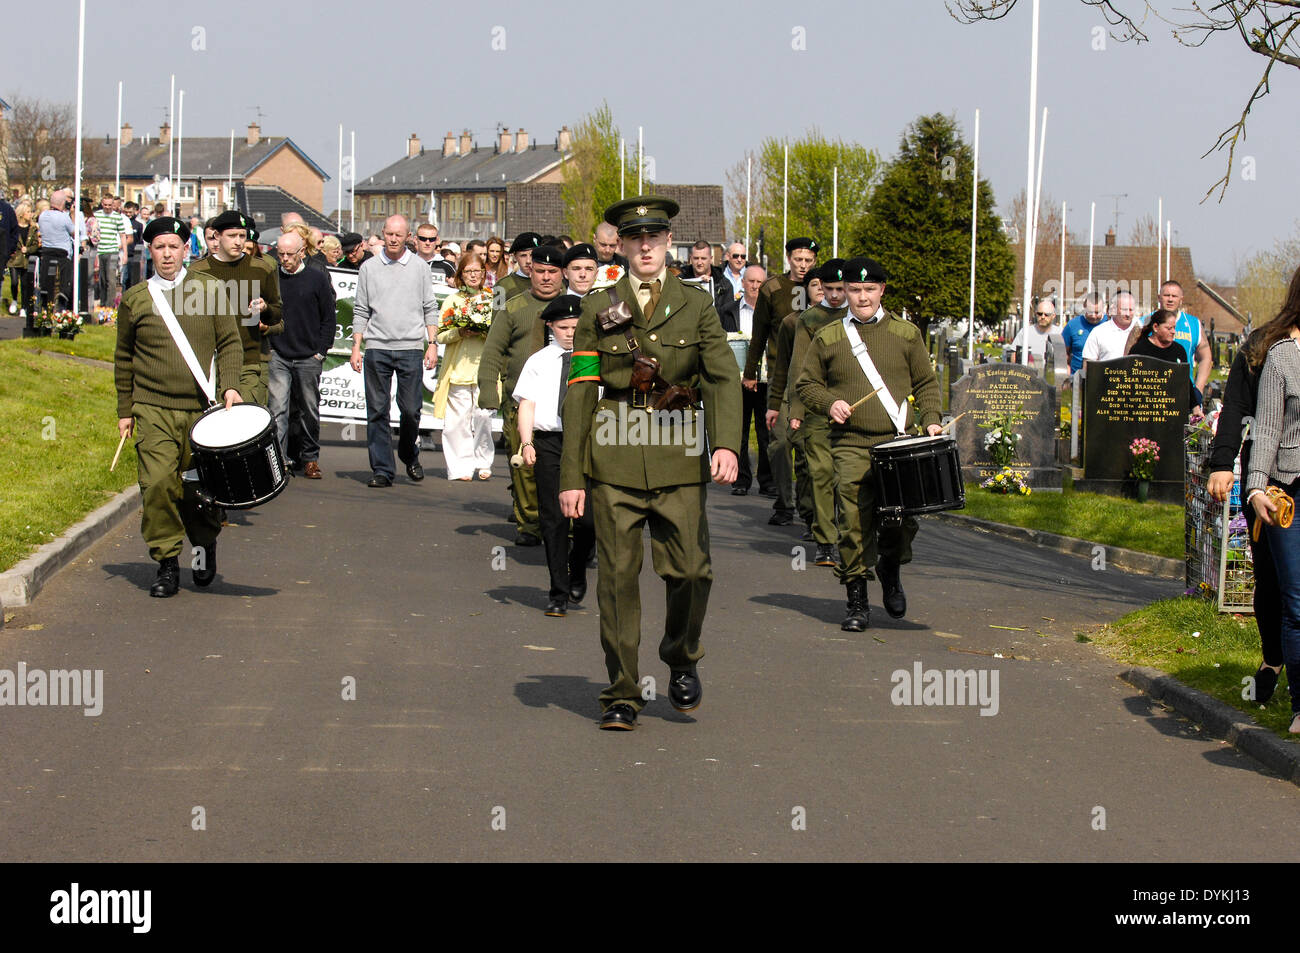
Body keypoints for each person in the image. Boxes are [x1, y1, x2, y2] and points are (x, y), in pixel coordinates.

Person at [559, 195, 741, 731]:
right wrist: (572, 475)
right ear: (621, 245)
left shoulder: (696, 304)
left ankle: (681, 656)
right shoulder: (598, 307)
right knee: (616, 578)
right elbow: (581, 391)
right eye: (634, 239)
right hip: (613, 452)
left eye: (654, 238)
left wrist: (726, 443)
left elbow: (722, 377)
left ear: (668, 243)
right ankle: (620, 691)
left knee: (690, 570)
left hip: (678, 450)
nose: (644, 247)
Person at [796, 257, 943, 632]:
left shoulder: (906, 334)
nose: (861, 297)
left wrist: (932, 420)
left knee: (902, 519)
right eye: (854, 290)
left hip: (898, 441)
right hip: (851, 444)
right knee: (854, 520)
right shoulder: (829, 337)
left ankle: (890, 568)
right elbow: (807, 384)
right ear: (844, 291)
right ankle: (856, 599)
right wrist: (830, 402)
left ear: (882, 290)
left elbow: (925, 383)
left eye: (869, 290)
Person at [114, 216, 244, 597]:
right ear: (150, 251)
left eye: (174, 246)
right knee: (157, 484)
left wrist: (232, 386)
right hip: (152, 408)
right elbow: (124, 358)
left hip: (200, 410)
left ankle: (203, 547)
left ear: (186, 250)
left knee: (199, 492)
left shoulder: (209, 289)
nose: (167, 254)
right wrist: (125, 410)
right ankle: (167, 562)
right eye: (160, 247)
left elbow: (231, 343)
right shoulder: (136, 298)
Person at [1209, 323, 1282, 706]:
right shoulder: (1262, 344)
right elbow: (1236, 405)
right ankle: (1273, 660)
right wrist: (1223, 462)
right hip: (1268, 476)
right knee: (1271, 577)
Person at [476, 244, 567, 544]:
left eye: (552, 272)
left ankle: (562, 524)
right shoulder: (513, 307)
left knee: (563, 468)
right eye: (540, 271)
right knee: (525, 463)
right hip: (520, 400)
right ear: (530, 271)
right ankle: (529, 524)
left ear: (562, 273)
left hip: (565, 402)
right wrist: (489, 391)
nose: (546, 277)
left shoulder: (575, 306)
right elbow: (492, 351)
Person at [514, 294, 596, 617]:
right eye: (563, 327)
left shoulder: (591, 359)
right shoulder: (538, 361)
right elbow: (527, 404)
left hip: (587, 441)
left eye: (576, 327)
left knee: (588, 520)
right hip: (549, 442)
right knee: (554, 519)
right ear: (551, 326)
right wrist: (527, 442)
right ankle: (558, 592)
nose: (570, 332)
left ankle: (578, 568)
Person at [1245, 270, 1300, 732]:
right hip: (1290, 493)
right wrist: (1257, 486)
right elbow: (1266, 429)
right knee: (1296, 602)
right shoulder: (1282, 356)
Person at [349, 215, 439, 487]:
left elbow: (430, 307)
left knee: (411, 410)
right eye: (389, 234)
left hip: (410, 347)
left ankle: (409, 453)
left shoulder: (419, 268)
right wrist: (356, 346)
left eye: (399, 235)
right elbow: (361, 309)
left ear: (408, 236)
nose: (393, 239)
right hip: (377, 347)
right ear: (383, 234)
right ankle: (382, 470)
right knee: (377, 411)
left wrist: (432, 343)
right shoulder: (369, 268)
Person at [745, 237, 819, 525]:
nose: (803, 266)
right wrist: (750, 372)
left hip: (813, 379)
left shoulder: (821, 287)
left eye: (809, 261)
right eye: (799, 260)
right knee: (778, 442)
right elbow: (759, 334)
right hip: (780, 375)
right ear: (789, 258)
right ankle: (784, 502)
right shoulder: (773, 289)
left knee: (807, 447)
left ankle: (808, 505)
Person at [786, 259, 850, 566]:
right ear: (820, 288)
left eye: (841, 289)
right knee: (821, 473)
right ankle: (826, 540)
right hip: (816, 406)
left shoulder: (860, 317)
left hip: (854, 408)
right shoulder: (810, 319)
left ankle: (850, 535)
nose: (836, 295)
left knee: (846, 477)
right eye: (830, 289)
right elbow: (799, 366)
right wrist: (795, 408)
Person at [186, 210, 283, 406]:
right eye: (232, 236)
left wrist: (265, 309)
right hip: (208, 364)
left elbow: (277, 314)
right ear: (217, 236)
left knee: (245, 428)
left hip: (249, 362)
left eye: (242, 236)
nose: (238, 242)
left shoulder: (261, 269)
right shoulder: (197, 272)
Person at [268, 230, 335, 479]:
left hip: (308, 355)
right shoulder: (272, 277)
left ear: (302, 252)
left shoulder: (317, 278)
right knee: (277, 410)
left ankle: (310, 458)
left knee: (309, 409)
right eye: (280, 254)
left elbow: (329, 317)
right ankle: (279, 461)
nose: (284, 259)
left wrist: (320, 351)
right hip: (279, 354)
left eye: (289, 254)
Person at [433, 252, 495, 481]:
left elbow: (501, 332)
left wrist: (486, 330)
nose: (473, 276)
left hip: (485, 368)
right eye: (468, 271)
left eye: (477, 271)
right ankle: (460, 467)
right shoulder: (453, 300)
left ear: (483, 273)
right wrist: (460, 332)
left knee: (483, 417)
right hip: (458, 368)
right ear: (460, 274)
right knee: (456, 422)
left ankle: (483, 460)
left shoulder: (492, 298)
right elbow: (441, 335)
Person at [718, 264, 771, 496]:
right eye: (751, 281)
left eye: (760, 282)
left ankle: (768, 481)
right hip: (736, 382)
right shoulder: (727, 311)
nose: (755, 286)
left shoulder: (772, 312)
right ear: (743, 283)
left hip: (765, 382)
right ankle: (740, 479)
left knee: (765, 432)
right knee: (737, 430)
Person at [1125, 280, 1212, 396]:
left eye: (1174, 296)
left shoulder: (1193, 324)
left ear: (1181, 299)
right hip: (1148, 393)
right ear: (1159, 297)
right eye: (1166, 295)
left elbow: (1206, 357)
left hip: (1182, 392)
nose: (1170, 299)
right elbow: (1127, 358)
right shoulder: (1143, 323)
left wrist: (1198, 389)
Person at [1081, 290, 1138, 364]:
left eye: (1131, 310)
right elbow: (1088, 366)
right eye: (1124, 309)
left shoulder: (1141, 333)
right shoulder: (1098, 332)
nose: (1128, 314)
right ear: (1113, 309)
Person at [1061, 291, 1105, 376]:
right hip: (1077, 378)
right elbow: (1063, 353)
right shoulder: (1072, 325)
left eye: (1097, 312)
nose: (1093, 316)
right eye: (1090, 312)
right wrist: (1066, 372)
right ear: (1084, 307)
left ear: (1103, 308)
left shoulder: (1109, 323)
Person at [1010, 299, 1058, 366]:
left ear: (1053, 316)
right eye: (1040, 314)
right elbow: (1014, 355)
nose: (1043, 317)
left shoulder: (1060, 333)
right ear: (1036, 314)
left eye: (1046, 314)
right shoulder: (1025, 332)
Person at [495, 232, 541, 301]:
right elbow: (498, 311)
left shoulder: (549, 282)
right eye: (523, 255)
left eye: (532, 255)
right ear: (515, 257)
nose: (528, 261)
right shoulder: (503, 285)